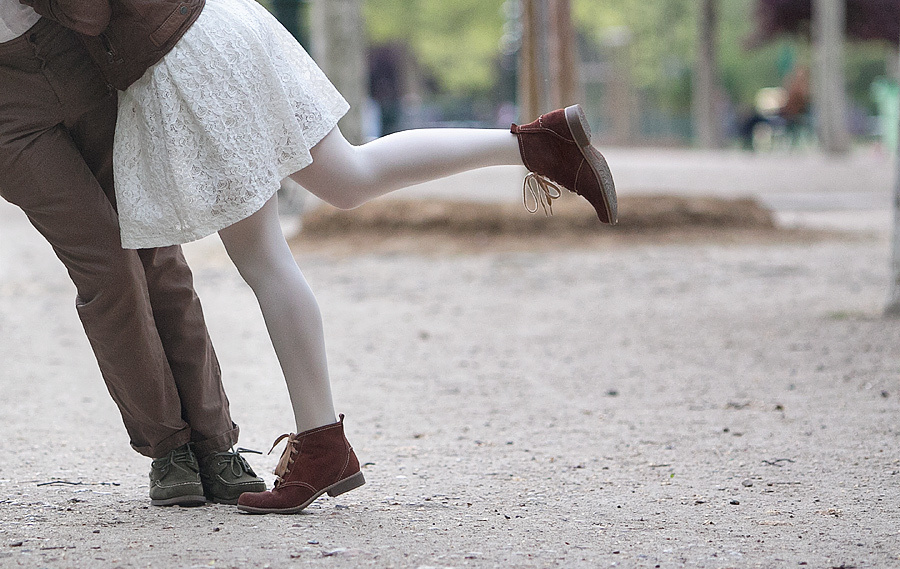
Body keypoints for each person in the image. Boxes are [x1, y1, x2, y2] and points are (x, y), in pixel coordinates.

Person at [24, 0, 617, 514]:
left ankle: (321, 442)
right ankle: (536, 143)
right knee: (349, 177)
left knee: (264, 262)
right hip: (224, 27)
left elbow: (88, 11)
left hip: (185, 66)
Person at [0, 3, 265, 506]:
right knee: (107, 266)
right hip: (7, 110)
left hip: (81, 54)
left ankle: (215, 444)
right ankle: (168, 446)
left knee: (156, 252)